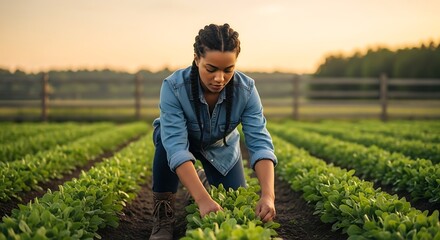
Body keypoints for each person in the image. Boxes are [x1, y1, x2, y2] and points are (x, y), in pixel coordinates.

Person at [149, 23, 277, 240]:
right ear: (197, 59)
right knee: (164, 139)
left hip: (221, 148)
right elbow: (176, 147)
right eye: (211, 69)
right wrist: (202, 200)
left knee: (233, 203)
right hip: (181, 144)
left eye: (228, 70)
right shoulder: (173, 87)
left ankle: (202, 181)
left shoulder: (246, 90)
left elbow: (260, 142)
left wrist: (268, 196)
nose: (219, 78)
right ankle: (163, 217)